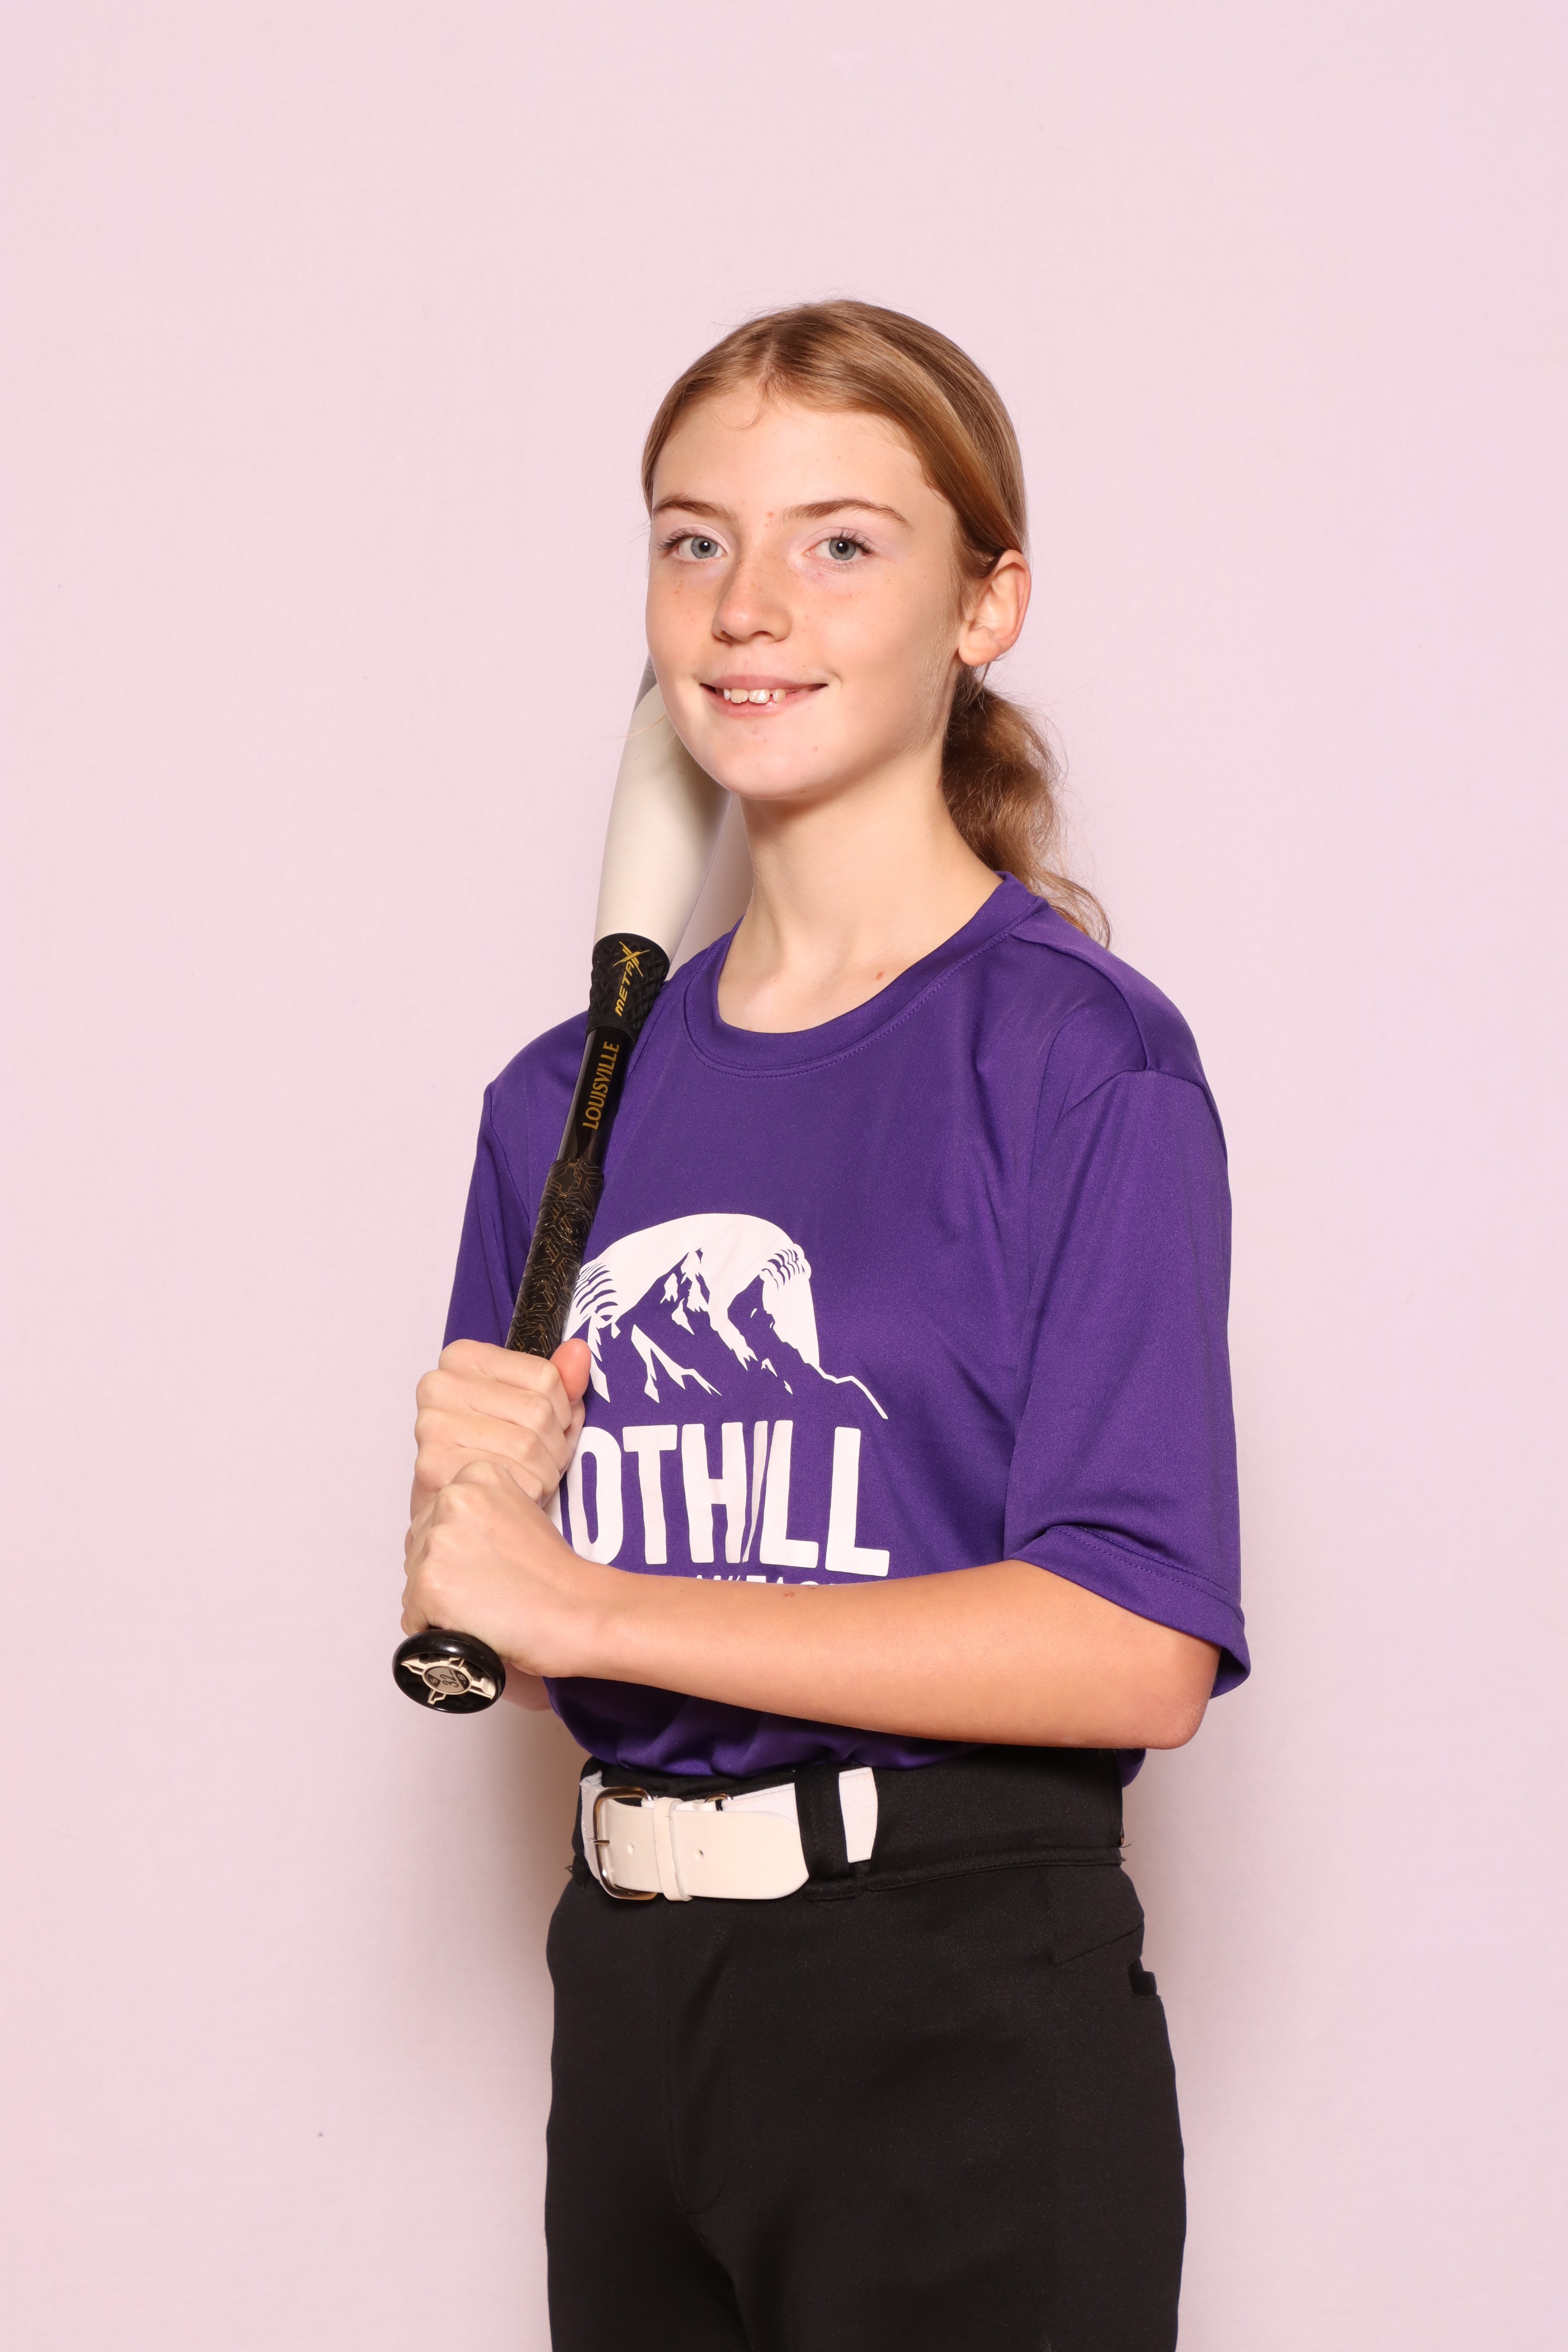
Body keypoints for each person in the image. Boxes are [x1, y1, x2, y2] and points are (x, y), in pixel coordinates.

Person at [401, 300, 1246, 2352]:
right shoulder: (563, 1100)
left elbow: (1134, 1645)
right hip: (630, 1995)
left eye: (840, 542)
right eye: (693, 540)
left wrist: (589, 1605)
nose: (746, 606)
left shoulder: (1077, 1061)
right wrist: (487, 1550)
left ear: (986, 605)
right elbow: (516, 1636)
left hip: (956, 1999)